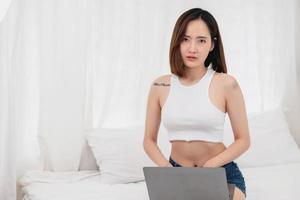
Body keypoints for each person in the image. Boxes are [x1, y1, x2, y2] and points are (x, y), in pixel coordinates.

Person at [143, 8, 250, 200]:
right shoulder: (160, 85)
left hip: (220, 172)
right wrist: (167, 169)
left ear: (211, 45)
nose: (192, 48)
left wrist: (209, 167)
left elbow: (243, 140)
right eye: (185, 39)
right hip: (176, 172)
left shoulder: (227, 84)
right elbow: (148, 141)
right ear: (177, 42)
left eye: (201, 40)